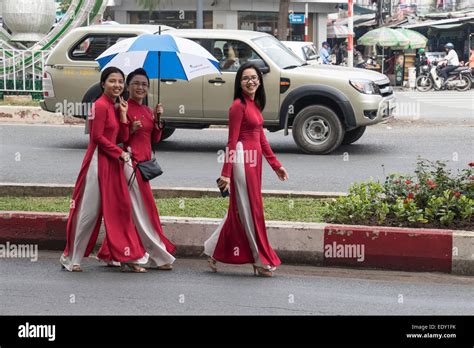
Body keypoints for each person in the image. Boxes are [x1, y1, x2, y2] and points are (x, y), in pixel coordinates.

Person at [203, 62, 289, 277]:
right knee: (251, 210)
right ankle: (259, 260)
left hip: (255, 161)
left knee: (241, 209)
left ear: (259, 81)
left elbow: (261, 138)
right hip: (241, 159)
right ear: (239, 83)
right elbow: (231, 141)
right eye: (245, 78)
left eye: (253, 78)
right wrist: (226, 173)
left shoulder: (255, 104)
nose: (250, 81)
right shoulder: (237, 106)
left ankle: (212, 250)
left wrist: (276, 165)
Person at [60, 67, 147, 273]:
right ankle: (70, 257)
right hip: (97, 162)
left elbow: (123, 137)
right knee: (88, 212)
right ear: (102, 84)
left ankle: (120, 254)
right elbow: (97, 138)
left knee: (119, 209)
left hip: (112, 162)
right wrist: (119, 153)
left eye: (120, 81)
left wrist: (124, 116)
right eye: (112, 81)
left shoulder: (115, 106)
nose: (117, 85)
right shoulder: (99, 106)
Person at [96, 68, 176, 270]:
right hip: (130, 165)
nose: (140, 88)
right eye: (136, 84)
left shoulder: (148, 111)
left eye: (144, 85)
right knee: (141, 211)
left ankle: (111, 253)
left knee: (136, 211)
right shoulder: (121, 108)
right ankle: (155, 255)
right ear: (128, 87)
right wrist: (129, 127)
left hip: (145, 166)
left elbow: (155, 139)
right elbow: (118, 139)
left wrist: (158, 119)